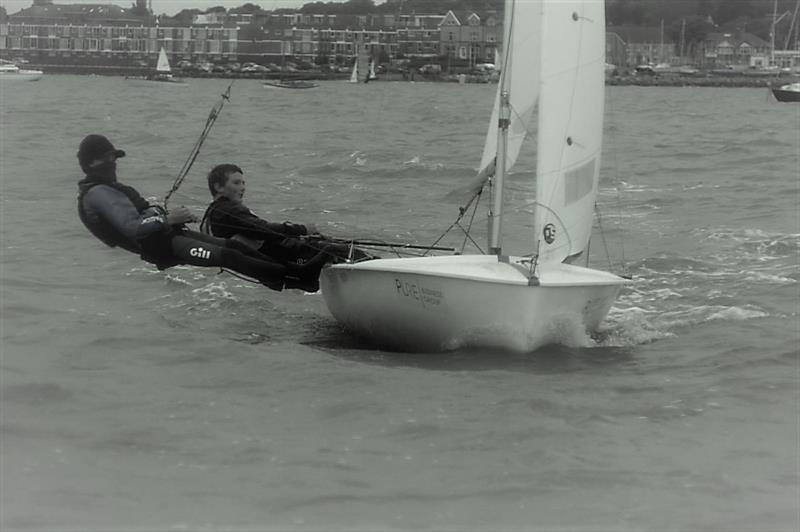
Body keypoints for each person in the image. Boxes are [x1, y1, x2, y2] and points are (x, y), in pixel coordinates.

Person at [76, 134, 326, 292]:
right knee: (228, 255)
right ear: (91, 164)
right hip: (163, 246)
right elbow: (132, 227)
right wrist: (167, 218)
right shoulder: (97, 193)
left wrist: (172, 217)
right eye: (108, 158)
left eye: (114, 157)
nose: (113, 163)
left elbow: (141, 217)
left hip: (170, 235)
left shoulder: (107, 188)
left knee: (233, 246)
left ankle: (290, 269)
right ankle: (296, 276)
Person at [201, 163, 374, 266]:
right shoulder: (227, 210)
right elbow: (263, 229)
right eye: (236, 183)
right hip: (290, 257)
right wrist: (302, 229)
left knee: (330, 244)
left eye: (243, 183)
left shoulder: (214, 213)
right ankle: (378, 268)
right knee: (347, 252)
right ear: (218, 187)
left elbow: (256, 231)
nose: (243, 187)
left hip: (285, 253)